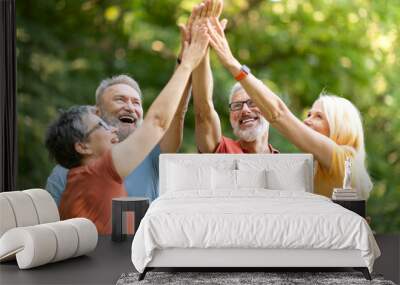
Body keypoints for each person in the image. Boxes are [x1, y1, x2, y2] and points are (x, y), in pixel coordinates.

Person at [45, 24, 210, 234]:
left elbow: (172, 116)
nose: (130, 107)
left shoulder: (78, 178)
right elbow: (158, 121)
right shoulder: (98, 171)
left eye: (136, 102)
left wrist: (183, 61)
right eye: (120, 100)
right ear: (83, 146)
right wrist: (187, 65)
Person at [205, 16, 373, 198]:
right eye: (309, 114)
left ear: (341, 127)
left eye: (319, 116)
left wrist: (232, 63)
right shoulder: (316, 167)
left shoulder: (342, 159)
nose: (307, 121)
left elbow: (278, 114)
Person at [190, 0, 278, 154]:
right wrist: (202, 44)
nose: (244, 110)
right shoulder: (223, 150)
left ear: (267, 106)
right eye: (237, 105)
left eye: (252, 102)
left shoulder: (285, 162)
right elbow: (203, 112)